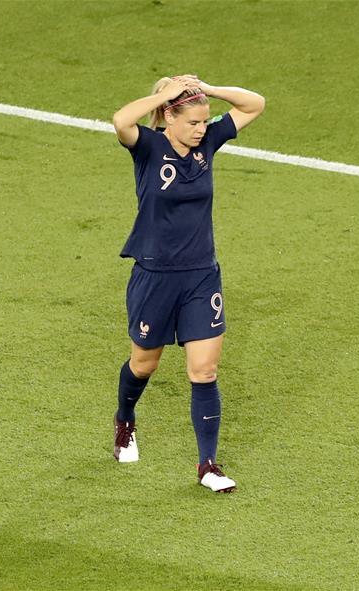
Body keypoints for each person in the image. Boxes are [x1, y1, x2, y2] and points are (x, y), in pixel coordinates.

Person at [111, 75, 265, 493]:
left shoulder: (207, 146)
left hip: (201, 276)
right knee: (145, 364)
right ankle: (125, 419)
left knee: (205, 370)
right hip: (154, 277)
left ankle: (208, 465)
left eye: (204, 121)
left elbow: (254, 104)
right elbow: (121, 119)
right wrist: (161, 97)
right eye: (193, 121)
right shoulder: (147, 147)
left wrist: (210, 90)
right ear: (169, 118)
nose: (202, 128)